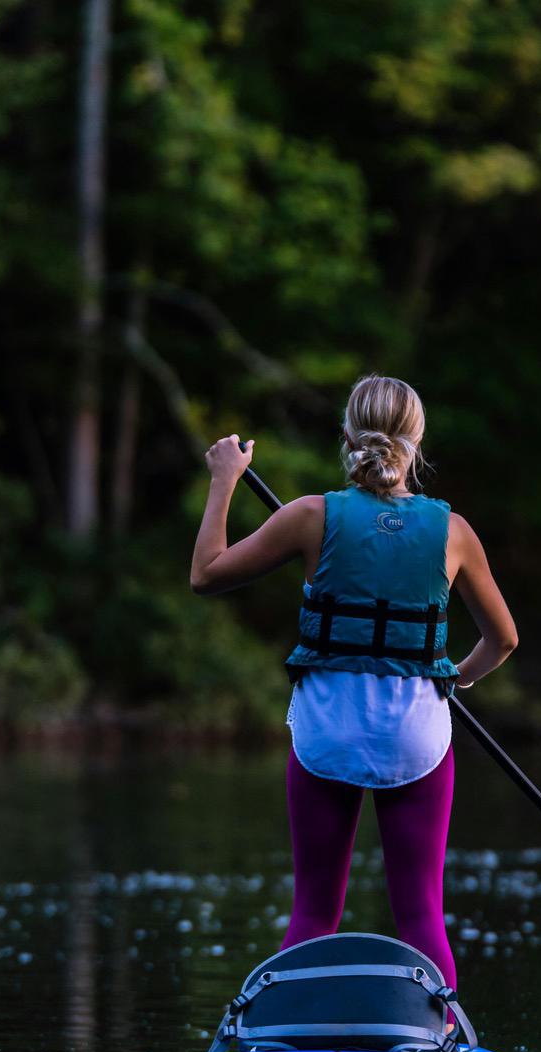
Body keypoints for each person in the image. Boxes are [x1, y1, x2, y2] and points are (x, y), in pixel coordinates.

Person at [189, 373, 518, 989]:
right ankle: (441, 1035)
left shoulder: (309, 516)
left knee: (315, 910)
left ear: (346, 433)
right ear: (416, 442)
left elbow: (206, 574)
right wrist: (455, 680)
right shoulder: (454, 532)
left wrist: (224, 480)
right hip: (417, 737)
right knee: (420, 912)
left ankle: (289, 1032)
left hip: (326, 735)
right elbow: (503, 640)